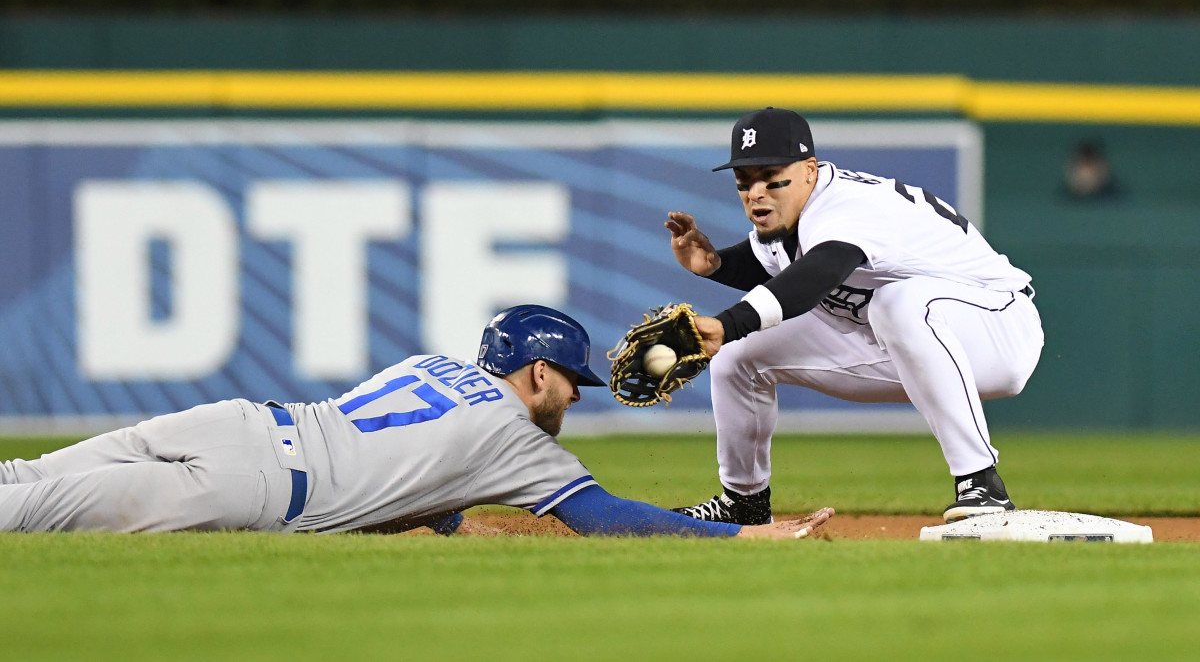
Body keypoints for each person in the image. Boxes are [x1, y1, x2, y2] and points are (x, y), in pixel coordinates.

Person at [0, 304, 832, 539]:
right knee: (32, 514)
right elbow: (605, 515)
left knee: (27, 476)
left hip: (234, 422)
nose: (574, 398)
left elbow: (413, 471)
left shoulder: (431, 364)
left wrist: (444, 516)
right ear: (537, 372)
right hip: (254, 485)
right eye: (570, 382)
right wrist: (741, 537)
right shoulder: (512, 436)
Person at [664, 107, 1043, 524]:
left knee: (898, 303)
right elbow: (771, 264)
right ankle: (745, 503)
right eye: (744, 181)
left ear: (810, 169)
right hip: (903, 344)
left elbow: (816, 275)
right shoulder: (788, 216)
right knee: (738, 356)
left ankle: (981, 482)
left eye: (771, 176)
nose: (756, 192)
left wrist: (727, 322)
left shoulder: (848, 205)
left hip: (997, 327)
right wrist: (716, 264)